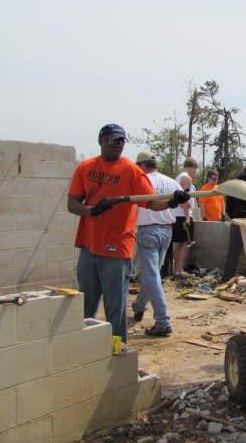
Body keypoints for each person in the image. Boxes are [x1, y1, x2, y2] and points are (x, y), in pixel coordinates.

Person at [67, 124, 190, 343]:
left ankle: (117, 349)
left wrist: (172, 201)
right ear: (101, 141)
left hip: (116, 247)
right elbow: (72, 203)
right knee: (87, 304)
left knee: (115, 305)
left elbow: (151, 203)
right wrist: (92, 210)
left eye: (122, 141)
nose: (118, 145)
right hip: (88, 245)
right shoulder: (85, 167)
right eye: (113, 141)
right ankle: (85, 350)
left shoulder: (132, 171)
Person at [132, 151, 185, 337]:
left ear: (141, 165)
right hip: (166, 230)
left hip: (148, 231)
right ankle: (139, 305)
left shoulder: (141, 181)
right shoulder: (171, 182)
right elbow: (185, 201)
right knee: (152, 274)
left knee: (151, 275)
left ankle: (162, 321)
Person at [171, 157, 199, 279]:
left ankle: (176, 270)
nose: (195, 172)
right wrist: (188, 217)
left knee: (178, 243)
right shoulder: (186, 178)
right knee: (186, 243)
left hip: (176, 215)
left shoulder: (178, 177)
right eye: (195, 169)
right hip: (184, 215)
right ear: (192, 166)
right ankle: (179, 270)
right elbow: (185, 200)